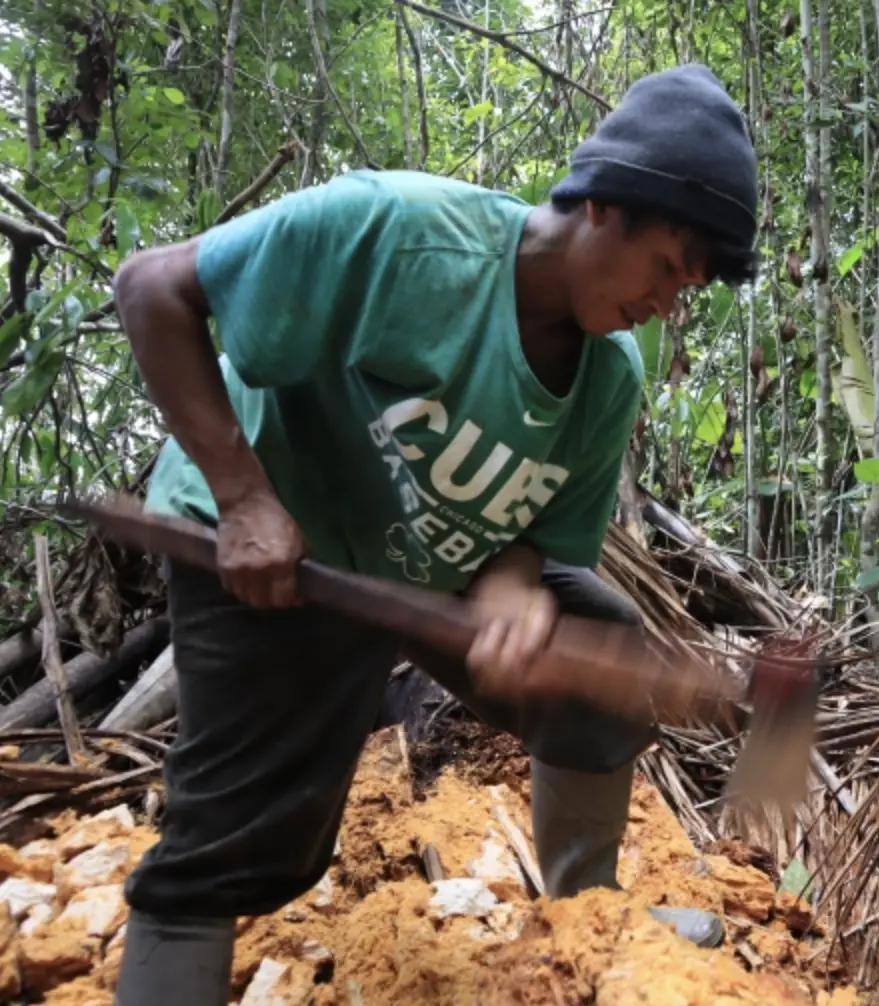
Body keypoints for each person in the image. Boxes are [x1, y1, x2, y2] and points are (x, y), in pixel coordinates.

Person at [106, 63, 757, 1005]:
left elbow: (531, 537)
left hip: (421, 561)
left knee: (600, 647)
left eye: (686, 290)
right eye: (667, 268)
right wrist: (245, 499)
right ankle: (173, 955)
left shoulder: (607, 378)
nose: (668, 305)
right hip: (273, 540)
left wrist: (508, 593)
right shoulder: (400, 236)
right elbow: (151, 287)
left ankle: (590, 915)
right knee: (244, 829)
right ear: (606, 207)